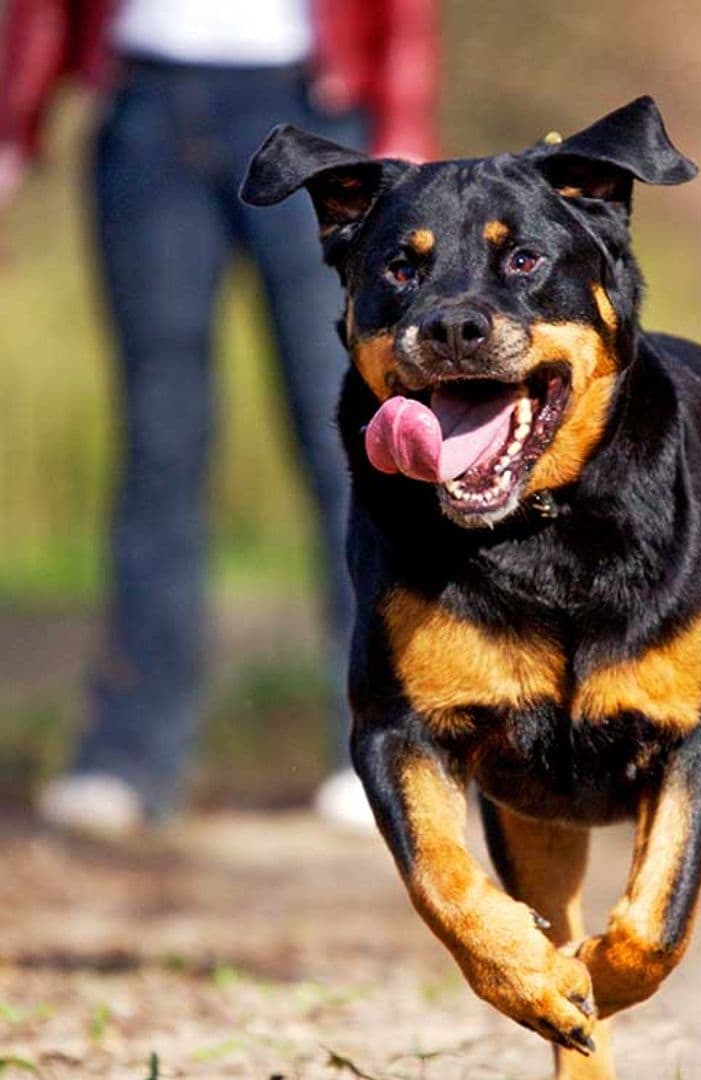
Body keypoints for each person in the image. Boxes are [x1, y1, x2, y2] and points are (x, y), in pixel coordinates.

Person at [0, 0, 439, 833]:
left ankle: (388, 734)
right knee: (159, 441)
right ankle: (129, 754)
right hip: (143, 108)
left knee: (347, 431)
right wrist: (13, 127)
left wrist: (404, 116)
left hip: (310, 103)